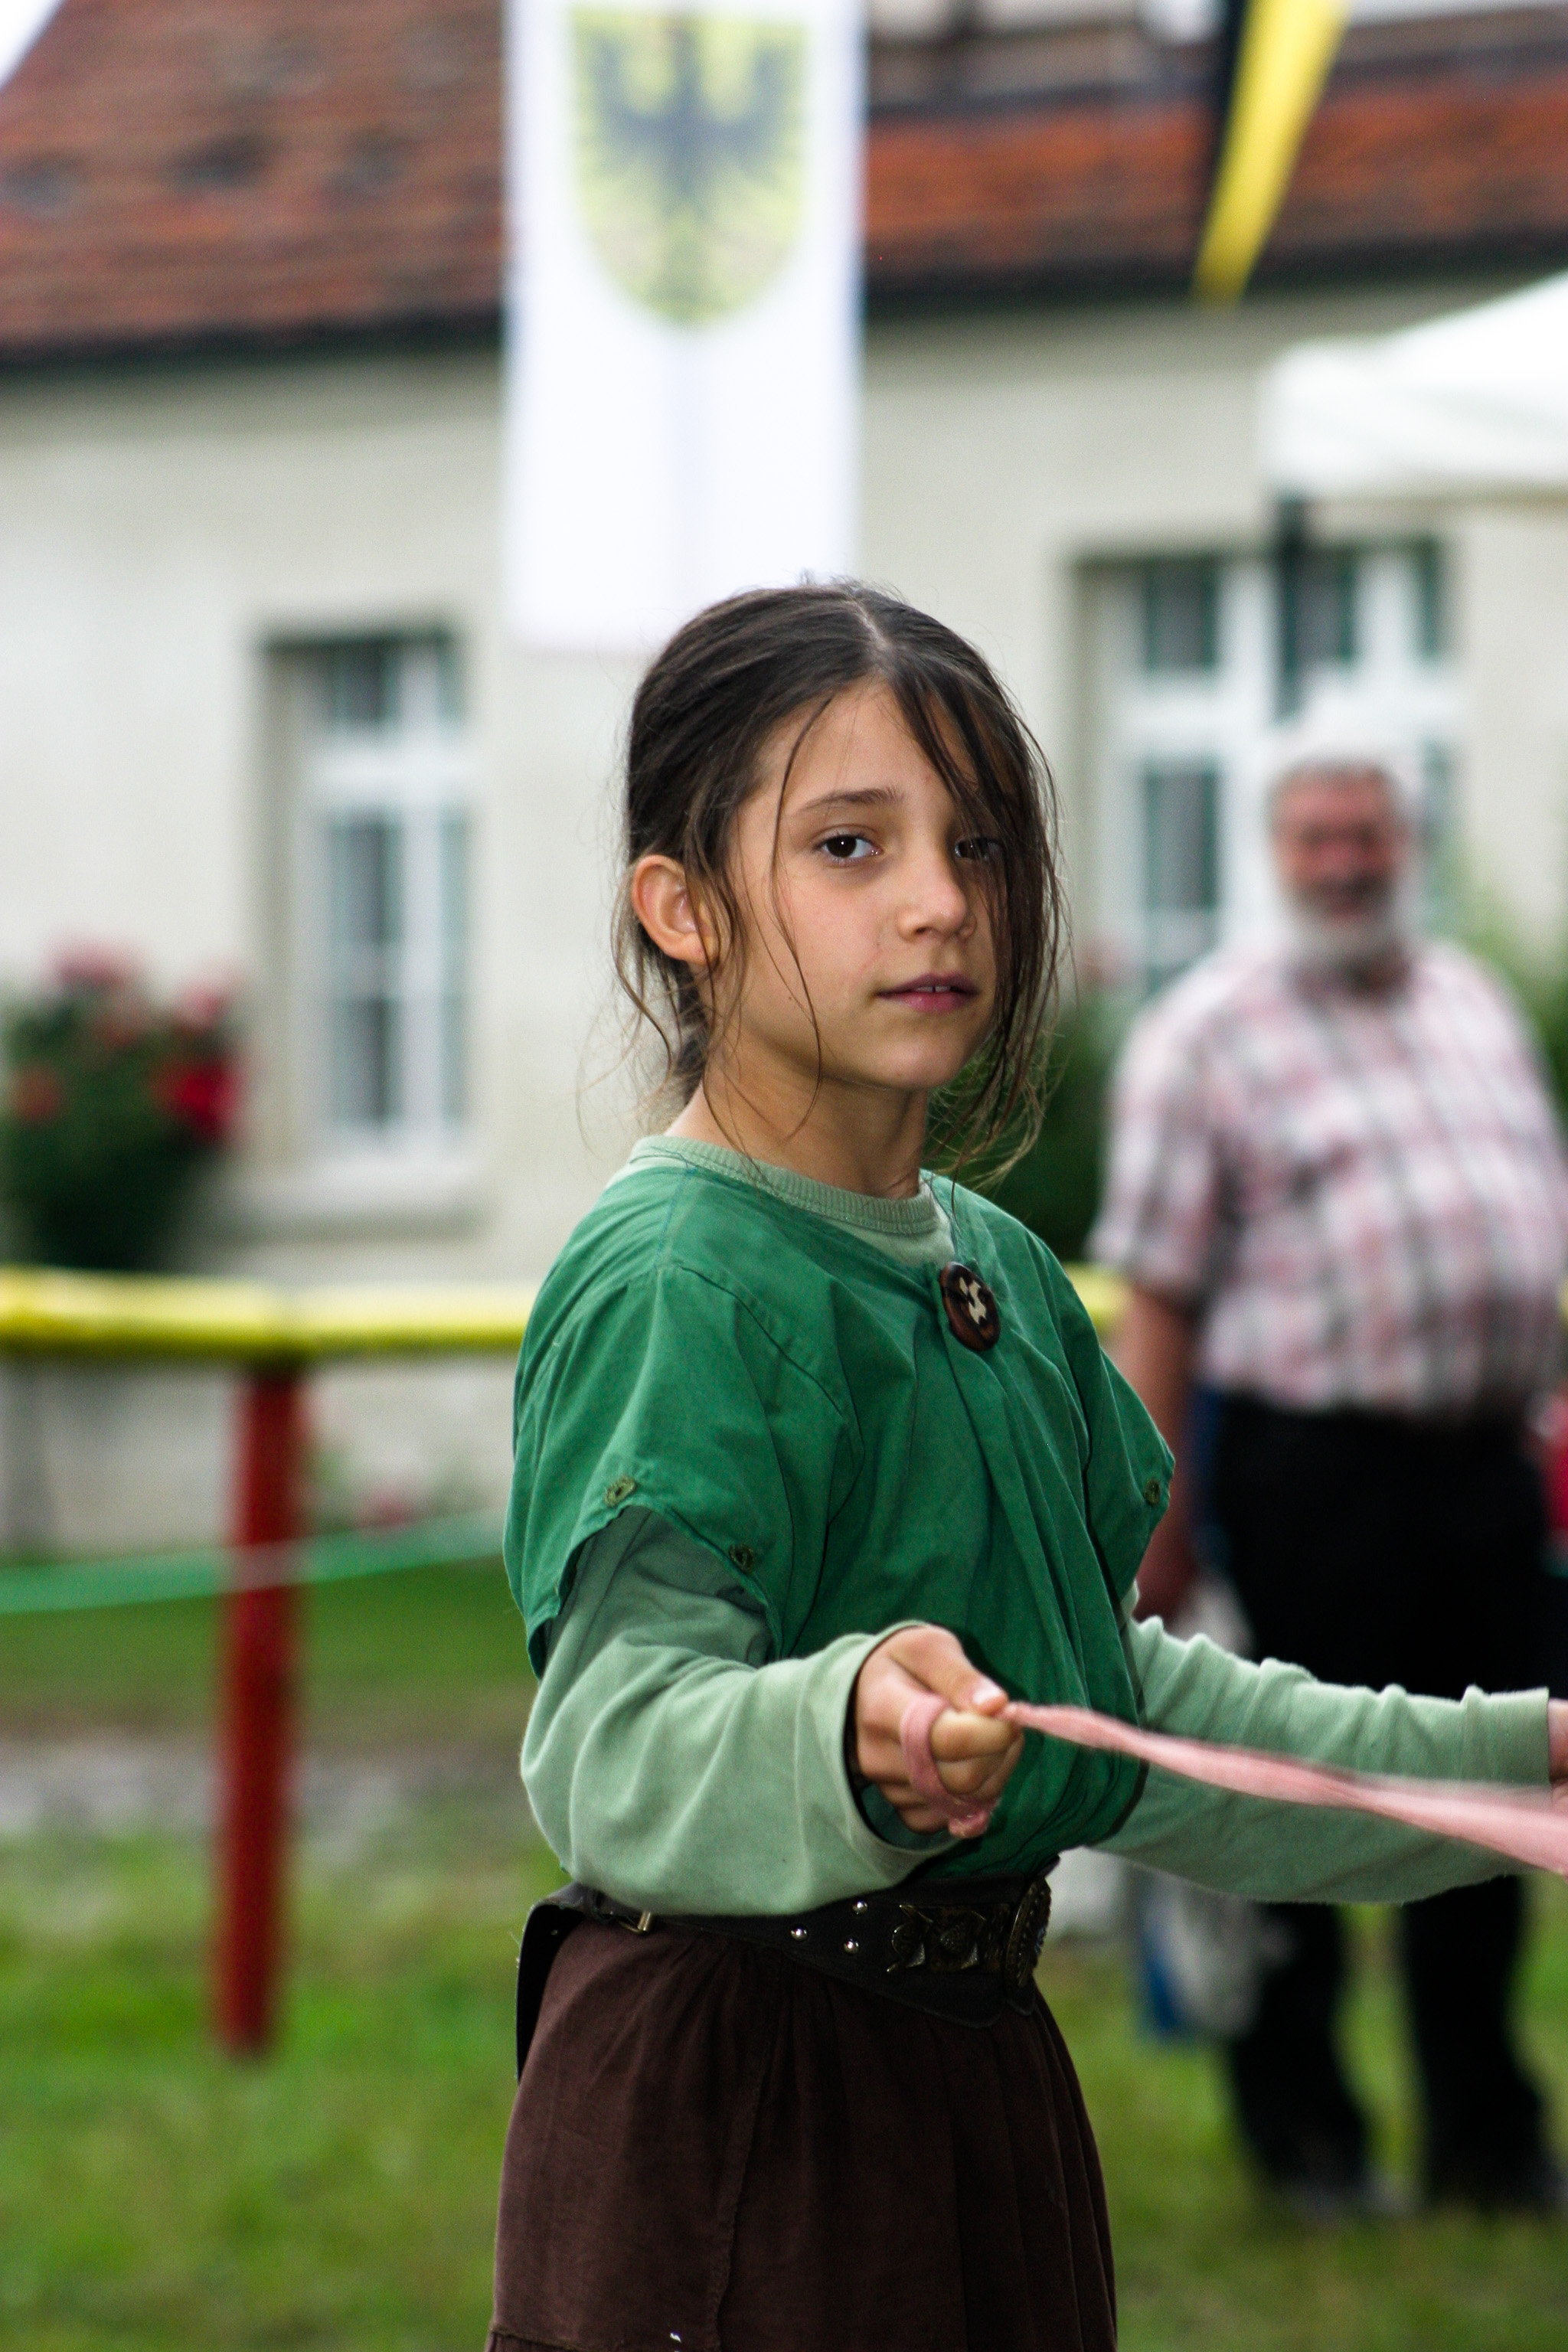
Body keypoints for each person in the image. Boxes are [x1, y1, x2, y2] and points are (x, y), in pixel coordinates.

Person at [487, 592, 1568, 2352]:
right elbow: (612, 1754)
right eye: (850, 844)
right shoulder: (677, 1275)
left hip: (977, 2086)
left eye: (977, 843)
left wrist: (1520, 1766)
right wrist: (846, 1722)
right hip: (747, 2117)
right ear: (681, 910)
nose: (938, 899)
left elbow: (1113, 1717)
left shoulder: (996, 1264)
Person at [1094, 738, 1568, 2215]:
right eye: (1318, 837)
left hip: (1482, 1470)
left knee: (1494, 1797)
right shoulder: (1205, 1034)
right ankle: (1305, 2143)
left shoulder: (1472, 1003)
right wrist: (1155, 1525)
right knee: (1297, 1800)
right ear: (1276, 849)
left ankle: (1486, 2140)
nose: (1347, 861)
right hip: (1313, 1477)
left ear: (1407, 841)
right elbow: (1159, 1294)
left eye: (1369, 832)